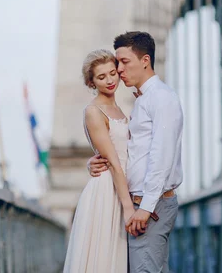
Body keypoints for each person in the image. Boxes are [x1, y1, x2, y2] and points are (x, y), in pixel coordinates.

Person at [88, 31, 184, 273]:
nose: (119, 70)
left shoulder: (162, 98)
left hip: (149, 205)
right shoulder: (142, 100)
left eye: (124, 62)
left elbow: (161, 156)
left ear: (145, 61)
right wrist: (95, 161)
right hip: (141, 202)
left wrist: (145, 207)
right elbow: (131, 150)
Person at [63, 49, 133, 273]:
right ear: (91, 82)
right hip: (108, 191)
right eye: (101, 77)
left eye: (112, 73)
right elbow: (112, 160)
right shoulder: (94, 111)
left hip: (121, 186)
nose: (110, 80)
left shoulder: (119, 109)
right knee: (102, 258)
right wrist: (128, 206)